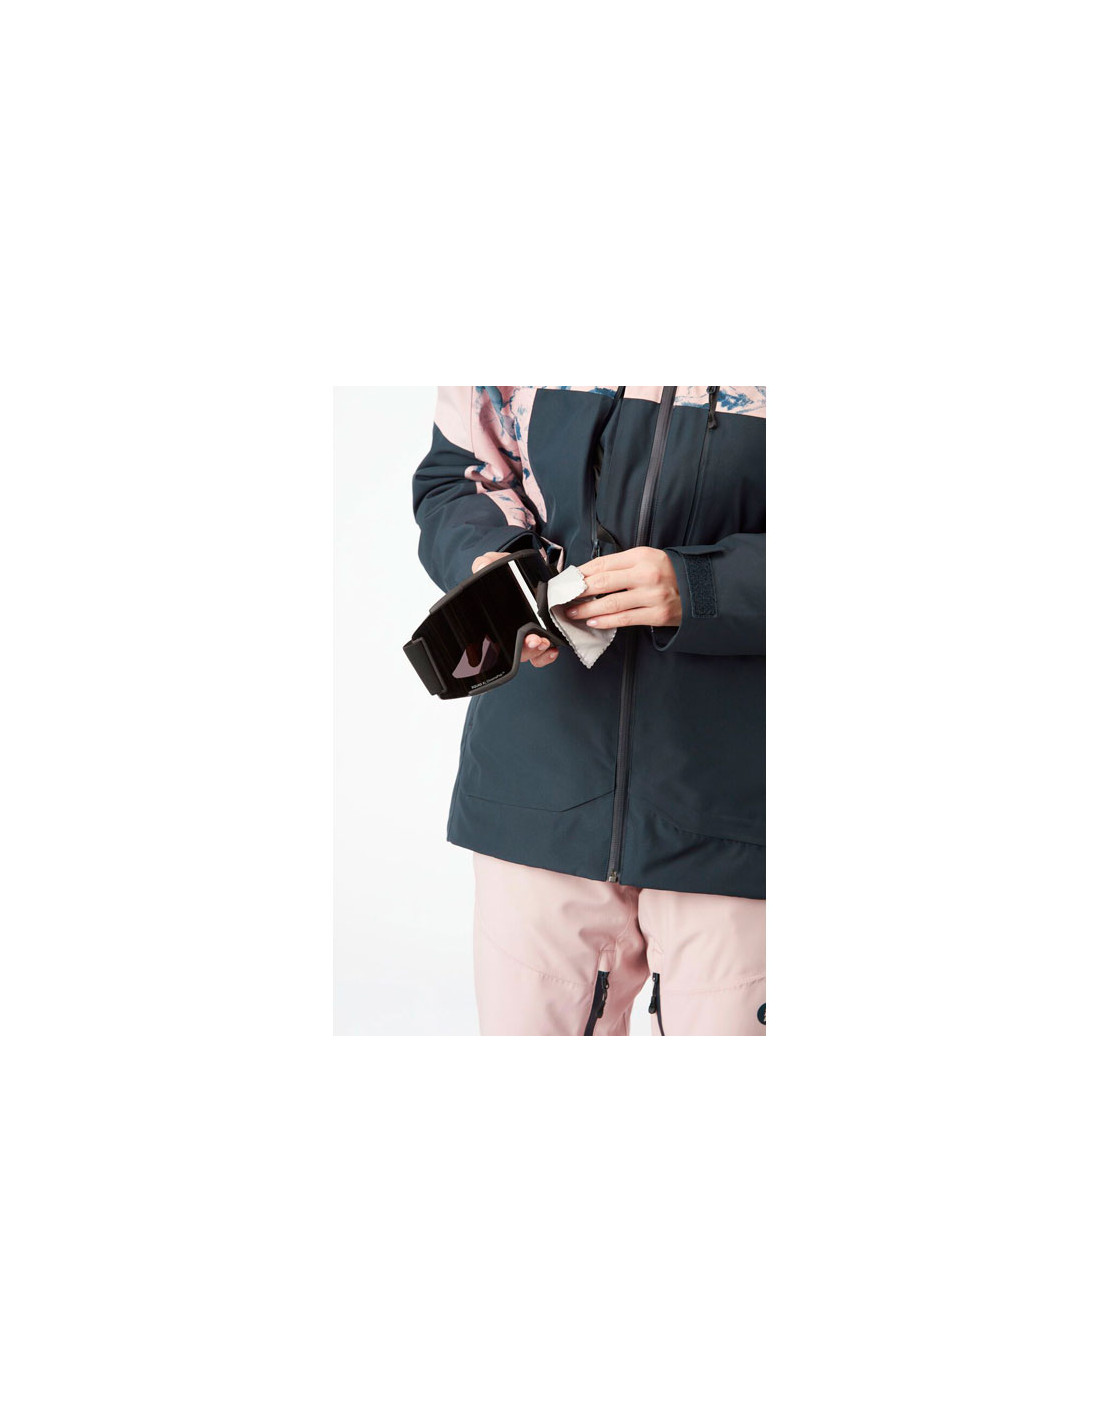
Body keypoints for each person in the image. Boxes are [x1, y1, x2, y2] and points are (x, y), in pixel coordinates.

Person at [411, 386, 765, 1036]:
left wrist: (707, 587)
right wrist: (494, 569)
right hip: (539, 791)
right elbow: (459, 475)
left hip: (740, 811)